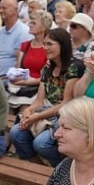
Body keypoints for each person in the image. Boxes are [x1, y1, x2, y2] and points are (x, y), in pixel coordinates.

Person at [10, 28, 74, 165]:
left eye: (50, 44)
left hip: (66, 115)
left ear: (62, 45)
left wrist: (37, 116)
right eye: (44, 44)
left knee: (42, 143)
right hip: (47, 112)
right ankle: (38, 169)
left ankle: (62, 171)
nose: (45, 48)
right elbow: (39, 101)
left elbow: (65, 104)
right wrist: (28, 111)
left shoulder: (74, 67)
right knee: (16, 132)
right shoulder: (47, 69)